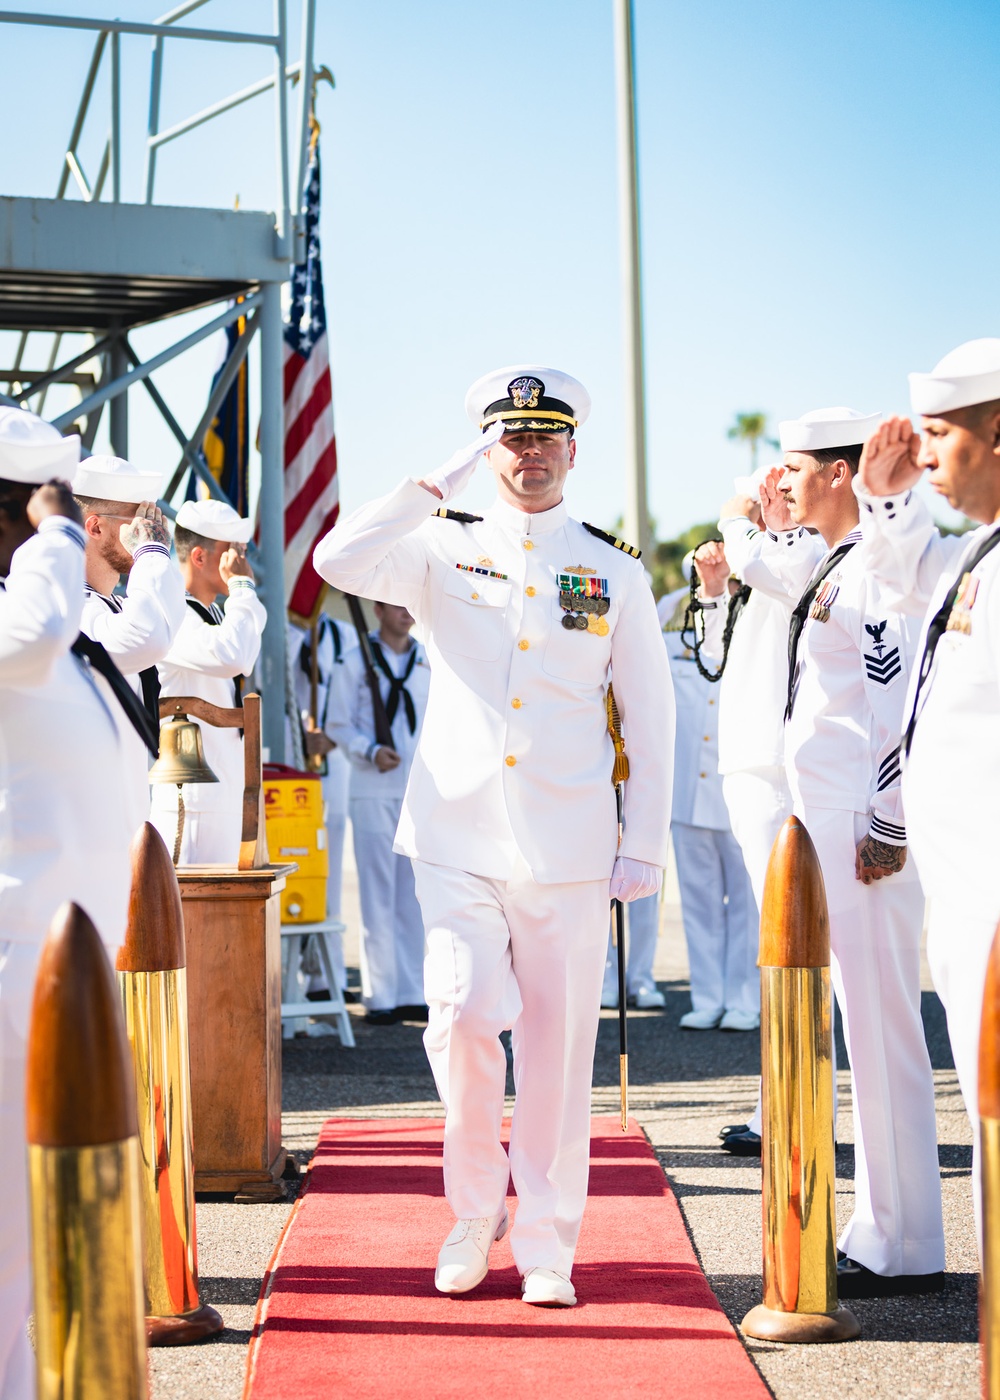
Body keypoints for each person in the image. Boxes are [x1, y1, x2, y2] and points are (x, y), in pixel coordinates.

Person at [313, 365, 673, 1307]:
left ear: (573, 449)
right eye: (513, 438)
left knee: (558, 1051)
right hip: (457, 832)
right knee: (465, 1018)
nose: (531, 452)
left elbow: (651, 714)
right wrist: (431, 487)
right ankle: (475, 1210)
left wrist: (644, 842)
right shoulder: (438, 546)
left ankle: (548, 1242)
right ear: (490, 448)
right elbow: (336, 562)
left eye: (546, 435)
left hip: (571, 843)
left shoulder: (614, 568)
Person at [729, 405, 945, 1299]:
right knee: (861, 1024)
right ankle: (889, 1229)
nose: (781, 480)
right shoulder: (839, 563)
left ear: (842, 474)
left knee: (881, 1024)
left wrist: (889, 823)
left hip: (860, 828)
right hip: (828, 823)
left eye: (796, 467)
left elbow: (897, 703)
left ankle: (900, 1242)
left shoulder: (874, 572)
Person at [854, 338, 1000, 1245]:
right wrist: (886, 495)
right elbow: (895, 576)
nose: (930, 454)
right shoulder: (974, 554)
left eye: (943, 434)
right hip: (964, 885)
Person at [0, 408, 132, 1400]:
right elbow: (33, 636)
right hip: (14, 981)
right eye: (52, 512)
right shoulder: (26, 621)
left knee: (34, 1262)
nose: (81, 532)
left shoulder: (46, 614)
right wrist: (52, 537)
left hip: (60, 988)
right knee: (10, 1249)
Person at [656, 577, 757, 1031]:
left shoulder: (756, 642)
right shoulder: (676, 644)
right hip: (687, 800)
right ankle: (707, 997)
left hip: (738, 798)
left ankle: (744, 999)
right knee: (697, 907)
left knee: (746, 907)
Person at [328, 601, 430, 1023]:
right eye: (397, 605)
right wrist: (367, 750)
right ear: (377, 609)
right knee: (376, 892)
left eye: (412, 604)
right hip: (373, 787)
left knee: (414, 894)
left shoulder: (429, 661)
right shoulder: (354, 660)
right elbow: (336, 723)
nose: (408, 612)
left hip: (421, 790)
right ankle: (381, 993)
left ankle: (412, 989)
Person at [74, 454, 186, 837]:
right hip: (85, 826)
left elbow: (164, 621)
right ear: (95, 527)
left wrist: (154, 557)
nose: (150, 531)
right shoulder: (68, 603)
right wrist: (152, 555)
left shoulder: (115, 606)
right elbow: (145, 637)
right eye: (137, 521)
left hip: (121, 817)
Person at [150, 498, 265, 864]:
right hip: (191, 802)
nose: (240, 561)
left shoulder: (216, 613)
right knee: (186, 918)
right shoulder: (174, 614)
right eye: (232, 551)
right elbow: (234, 655)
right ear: (199, 558)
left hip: (224, 794)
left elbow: (247, 636)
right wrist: (243, 588)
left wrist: (242, 595)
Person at [288, 613, 356, 999]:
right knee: (289, 860)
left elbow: (356, 692)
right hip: (284, 759)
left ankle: (324, 976)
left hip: (332, 762)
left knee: (325, 865)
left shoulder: (342, 635)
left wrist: (332, 735)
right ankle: (288, 976)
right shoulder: (279, 631)